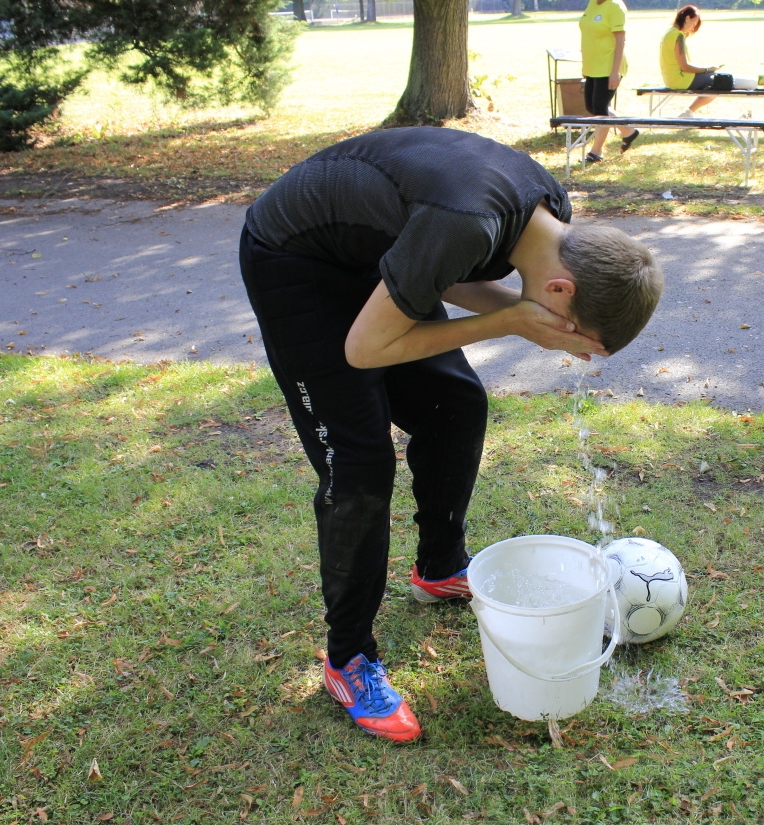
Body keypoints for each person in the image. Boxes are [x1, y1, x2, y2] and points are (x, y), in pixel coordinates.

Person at [238, 127, 664, 741]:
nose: (557, 333)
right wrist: (515, 321)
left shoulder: (551, 220)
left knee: (456, 404)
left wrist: (526, 315)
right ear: (562, 287)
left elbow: (439, 268)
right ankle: (348, 658)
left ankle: (439, 568)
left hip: (369, 255)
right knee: (359, 467)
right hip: (296, 262)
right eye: (566, 324)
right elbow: (365, 349)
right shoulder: (469, 219)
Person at [659, 5, 764, 118]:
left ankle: (688, 113)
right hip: (681, 80)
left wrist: (706, 70)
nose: (693, 27)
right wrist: (707, 70)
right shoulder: (678, 36)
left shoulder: (668, 33)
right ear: (687, 18)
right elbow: (685, 67)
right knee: (722, 80)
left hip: (671, 79)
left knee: (716, 85)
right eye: (693, 23)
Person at [579, 0, 640, 163]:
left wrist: (615, 72)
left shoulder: (615, 6)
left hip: (609, 66)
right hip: (592, 66)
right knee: (591, 107)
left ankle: (596, 151)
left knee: (600, 109)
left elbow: (621, 41)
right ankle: (628, 131)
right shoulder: (592, 3)